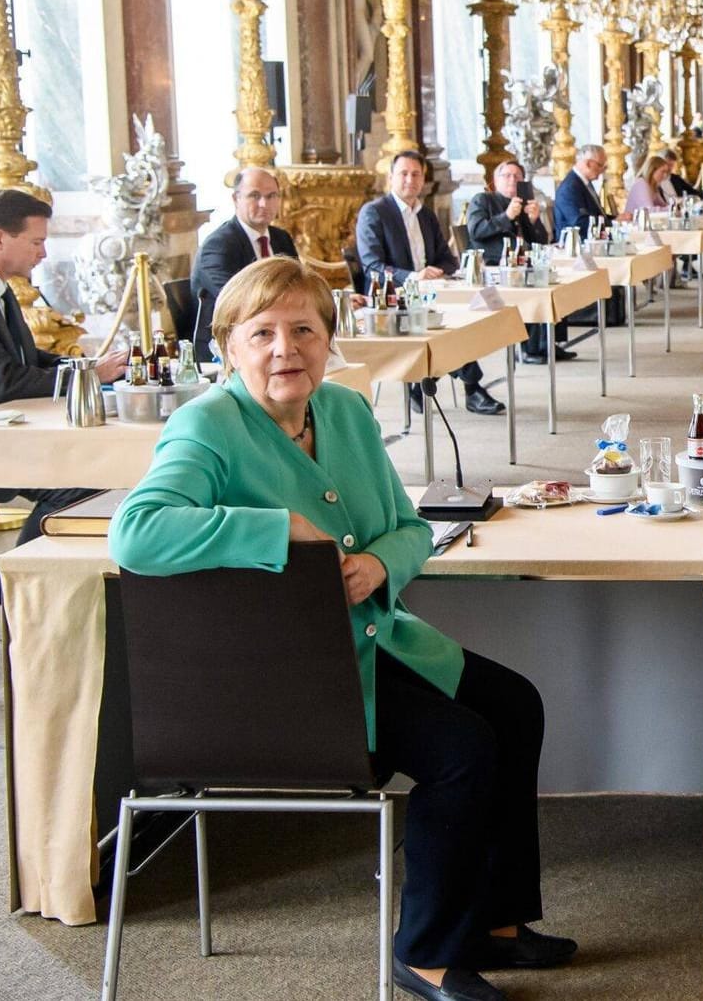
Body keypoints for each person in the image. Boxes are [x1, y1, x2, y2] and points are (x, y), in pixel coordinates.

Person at [108, 258, 576, 1001]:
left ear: (330, 341)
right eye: (262, 333)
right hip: (288, 677)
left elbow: (409, 528)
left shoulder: (349, 411)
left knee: (515, 704)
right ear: (230, 346)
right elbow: (136, 534)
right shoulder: (207, 424)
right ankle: (424, 951)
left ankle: (496, 921)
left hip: (369, 638)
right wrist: (274, 529)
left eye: (303, 329)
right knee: (463, 751)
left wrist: (379, 567)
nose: (284, 348)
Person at [0, 190, 124, 580]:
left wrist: (90, 365)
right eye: (36, 242)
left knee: (95, 475)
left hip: (9, 434)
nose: (42, 254)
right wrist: (90, 376)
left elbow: (30, 358)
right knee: (82, 485)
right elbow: (2, 379)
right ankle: (16, 587)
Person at [356, 151, 502, 416]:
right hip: (391, 302)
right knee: (447, 333)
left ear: (423, 180)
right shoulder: (374, 213)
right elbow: (372, 267)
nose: (410, 180)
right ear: (390, 177)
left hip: (431, 296)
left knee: (463, 323)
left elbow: (448, 260)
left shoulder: (427, 215)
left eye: (416, 174)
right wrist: (414, 277)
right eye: (404, 174)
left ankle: (425, 381)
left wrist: (435, 271)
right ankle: (471, 387)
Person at [466, 160, 571, 365]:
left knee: (552, 281)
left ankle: (549, 342)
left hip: (522, 262)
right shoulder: (482, 200)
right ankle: (530, 347)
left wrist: (534, 220)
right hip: (493, 263)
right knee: (531, 281)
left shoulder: (523, 203)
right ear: (495, 181)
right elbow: (476, 230)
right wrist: (506, 216)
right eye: (507, 175)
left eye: (517, 177)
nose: (512, 180)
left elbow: (540, 243)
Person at [190, 166, 300, 359]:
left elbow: (299, 286)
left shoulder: (281, 238)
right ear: (236, 199)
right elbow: (238, 301)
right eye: (254, 196)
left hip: (276, 336)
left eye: (272, 196)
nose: (264, 204)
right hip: (225, 345)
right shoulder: (218, 245)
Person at [552, 144, 611, 240]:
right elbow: (579, 222)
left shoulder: (586, 183)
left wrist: (615, 219)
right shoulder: (569, 188)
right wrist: (609, 225)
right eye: (601, 165)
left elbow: (594, 214)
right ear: (588, 163)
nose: (602, 170)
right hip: (575, 245)